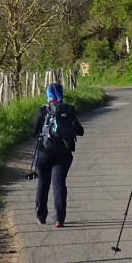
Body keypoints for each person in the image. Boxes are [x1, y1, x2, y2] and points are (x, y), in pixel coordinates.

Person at [33, 82, 84, 227]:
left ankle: (41, 217)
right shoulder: (69, 110)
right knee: (59, 184)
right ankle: (59, 219)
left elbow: (34, 132)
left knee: (43, 182)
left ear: (48, 94)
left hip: (44, 153)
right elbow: (80, 131)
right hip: (63, 154)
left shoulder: (43, 110)